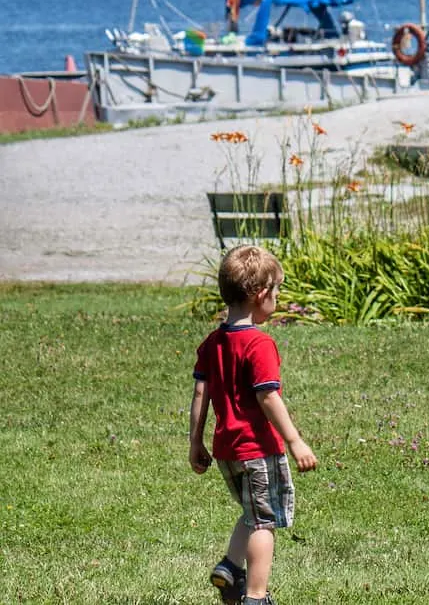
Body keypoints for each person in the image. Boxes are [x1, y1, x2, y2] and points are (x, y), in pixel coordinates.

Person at [189, 245, 318, 605]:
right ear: (262, 295)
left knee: (251, 511)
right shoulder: (258, 344)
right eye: (276, 292)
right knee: (265, 521)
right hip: (258, 449)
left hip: (227, 450)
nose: (276, 299)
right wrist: (295, 441)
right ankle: (256, 596)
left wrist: (194, 443)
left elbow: (201, 394)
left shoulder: (213, 343)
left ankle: (230, 568)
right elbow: (268, 397)